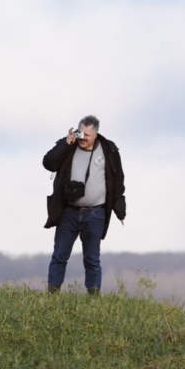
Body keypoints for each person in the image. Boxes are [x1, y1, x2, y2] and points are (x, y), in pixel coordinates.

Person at [42, 115, 126, 294]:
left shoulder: (108, 150)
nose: (83, 138)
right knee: (59, 256)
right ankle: (51, 297)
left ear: (96, 134)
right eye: (81, 133)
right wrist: (65, 143)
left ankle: (94, 300)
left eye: (87, 135)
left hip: (95, 214)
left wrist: (120, 211)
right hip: (68, 212)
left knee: (92, 259)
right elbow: (48, 163)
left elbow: (118, 181)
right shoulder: (69, 146)